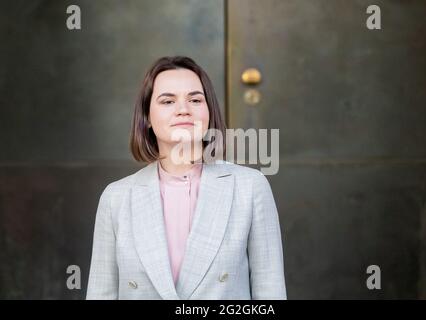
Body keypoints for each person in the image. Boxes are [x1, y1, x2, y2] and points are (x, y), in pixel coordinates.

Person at [86, 56, 286, 299]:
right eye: (168, 101)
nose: (183, 109)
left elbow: (270, 292)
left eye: (195, 99)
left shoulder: (250, 187)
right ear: (147, 117)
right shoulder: (116, 198)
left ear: (209, 111)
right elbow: (101, 293)